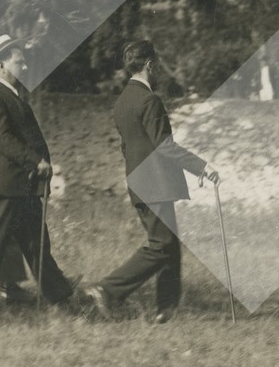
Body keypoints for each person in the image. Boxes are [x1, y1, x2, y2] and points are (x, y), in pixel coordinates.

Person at [81, 40, 217, 323]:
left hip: (138, 182)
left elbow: (126, 147)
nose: (160, 69)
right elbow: (164, 146)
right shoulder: (149, 100)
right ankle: (107, 289)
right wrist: (202, 167)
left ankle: (166, 310)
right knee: (161, 245)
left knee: (169, 244)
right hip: (155, 183)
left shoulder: (122, 102)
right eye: (158, 64)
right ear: (150, 65)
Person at [0, 37, 70, 308]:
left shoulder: (9, 95)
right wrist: (35, 161)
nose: (24, 66)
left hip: (20, 183)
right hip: (4, 184)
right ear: (2, 65)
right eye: (19, 61)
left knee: (35, 240)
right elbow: (2, 138)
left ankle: (60, 295)